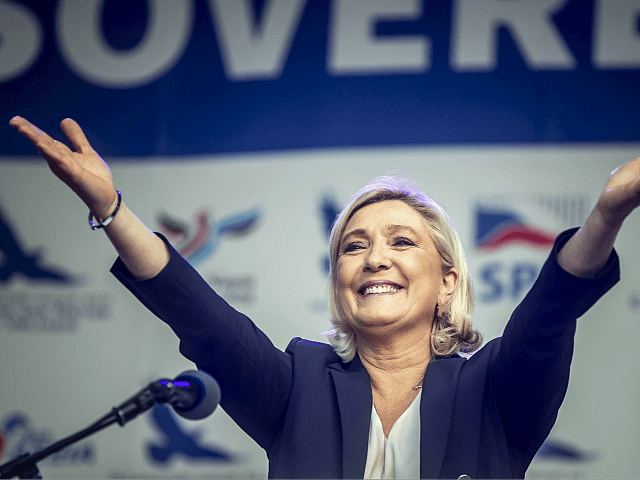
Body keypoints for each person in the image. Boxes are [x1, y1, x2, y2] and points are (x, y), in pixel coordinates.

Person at [9, 116, 640, 479]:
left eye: (402, 241)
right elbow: (204, 321)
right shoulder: (299, 385)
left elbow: (550, 313)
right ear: (339, 280)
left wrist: (608, 212)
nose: (375, 258)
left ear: (449, 281)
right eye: (353, 246)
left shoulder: (495, 393)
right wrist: (112, 210)